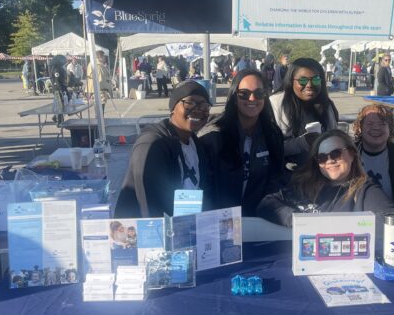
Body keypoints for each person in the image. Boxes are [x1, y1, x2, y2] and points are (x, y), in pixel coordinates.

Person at [257, 130, 394, 244]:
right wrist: (297, 219)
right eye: (322, 157)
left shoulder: (364, 190)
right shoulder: (305, 184)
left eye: (336, 154)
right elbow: (267, 204)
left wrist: (334, 228)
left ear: (352, 154)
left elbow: (391, 223)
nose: (330, 161)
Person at [115, 81, 213, 217]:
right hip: (152, 230)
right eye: (189, 103)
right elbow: (148, 205)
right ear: (173, 107)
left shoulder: (194, 143)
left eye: (204, 106)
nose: (197, 110)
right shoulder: (151, 144)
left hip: (186, 224)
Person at [199, 70, 285, 216]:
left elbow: (276, 178)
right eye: (244, 94)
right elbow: (203, 185)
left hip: (258, 221)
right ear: (234, 97)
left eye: (259, 93)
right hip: (219, 221)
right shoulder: (213, 136)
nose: (252, 99)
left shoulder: (272, 134)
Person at [269, 57, 339, 166]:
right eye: (303, 80)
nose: (309, 85)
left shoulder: (326, 105)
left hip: (322, 172)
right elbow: (269, 149)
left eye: (315, 79)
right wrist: (303, 143)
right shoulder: (276, 103)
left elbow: (334, 138)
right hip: (286, 175)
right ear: (291, 81)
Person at [352, 104, 394, 214]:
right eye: (370, 124)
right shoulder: (348, 155)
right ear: (360, 128)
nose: (376, 128)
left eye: (382, 124)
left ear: (390, 128)